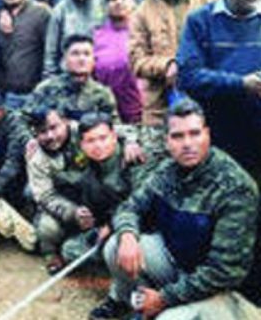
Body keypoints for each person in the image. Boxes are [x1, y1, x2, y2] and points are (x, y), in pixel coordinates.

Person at [90, 99, 260, 320]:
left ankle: (158, 308)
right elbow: (130, 207)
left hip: (223, 290)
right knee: (115, 246)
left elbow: (225, 272)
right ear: (167, 141)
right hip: (178, 265)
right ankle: (127, 303)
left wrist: (164, 299)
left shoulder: (236, 187)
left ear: (207, 134)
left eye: (195, 133)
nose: (187, 143)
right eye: (178, 136)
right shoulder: (168, 170)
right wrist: (128, 234)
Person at [177, 0, 261, 303]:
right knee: (218, 211)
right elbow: (190, 75)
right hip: (217, 137)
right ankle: (209, 284)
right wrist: (240, 84)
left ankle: (252, 288)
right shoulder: (201, 21)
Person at [27, 110, 143, 274]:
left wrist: (131, 141)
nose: (51, 136)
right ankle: (51, 253)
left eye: (54, 127)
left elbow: (116, 129)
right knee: (49, 229)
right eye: (42, 132)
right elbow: (45, 196)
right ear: (34, 134)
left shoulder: (82, 129)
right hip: (67, 202)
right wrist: (73, 213)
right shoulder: (36, 158)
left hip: (104, 200)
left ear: (65, 121)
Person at [129, 0, 213, 127]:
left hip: (207, 99)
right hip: (160, 106)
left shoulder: (208, 0)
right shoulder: (143, 10)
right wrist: (166, 65)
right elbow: (136, 59)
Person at [30, 34, 118, 122]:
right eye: (75, 54)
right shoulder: (46, 89)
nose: (81, 59)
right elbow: (23, 119)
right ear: (64, 59)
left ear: (94, 61)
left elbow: (114, 127)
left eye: (87, 54)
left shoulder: (103, 95)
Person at [43, 0, 105, 78]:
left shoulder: (107, 3)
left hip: (102, 79)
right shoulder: (60, 10)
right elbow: (51, 55)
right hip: (68, 80)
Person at [93, 0, 142, 124]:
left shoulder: (145, 31)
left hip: (141, 110)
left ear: (133, 0)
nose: (118, 2)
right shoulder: (97, 35)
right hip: (106, 112)